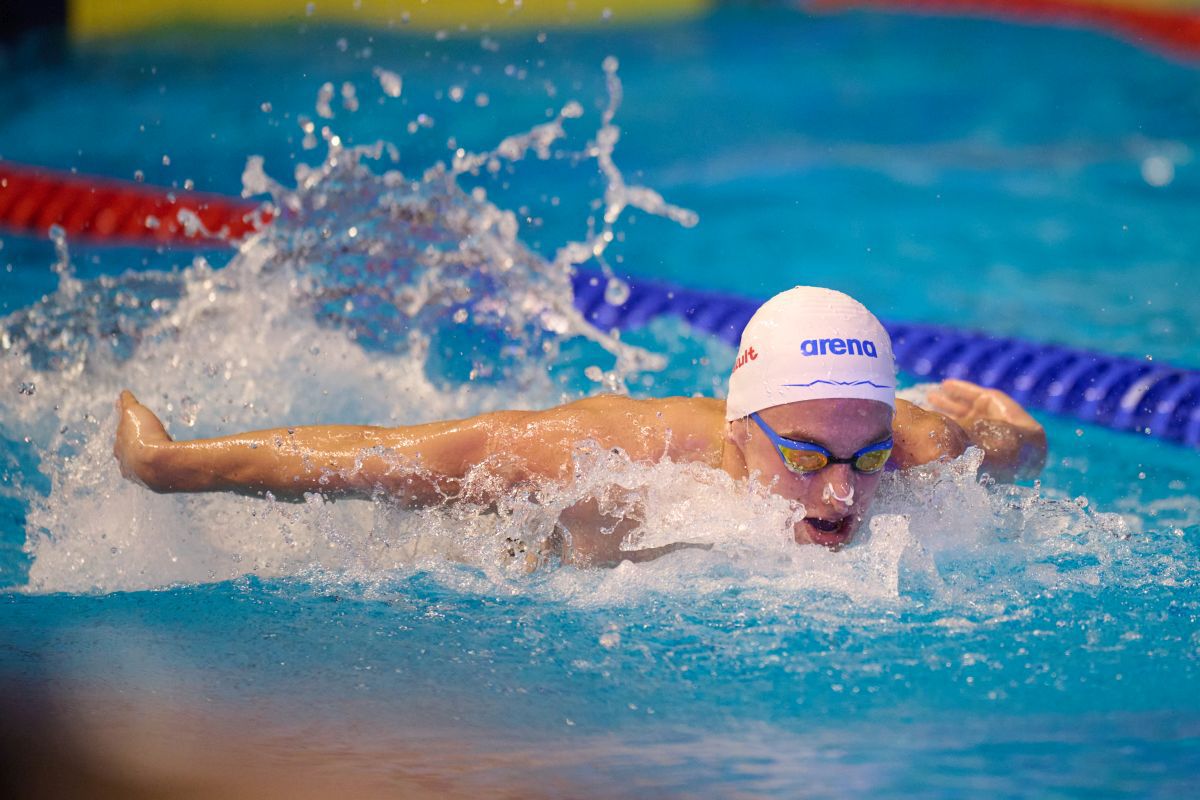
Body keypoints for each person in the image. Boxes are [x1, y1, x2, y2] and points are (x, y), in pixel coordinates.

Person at [113, 287, 1046, 566]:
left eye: (865, 455)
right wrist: (175, 466)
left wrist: (990, 414)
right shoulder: (612, 452)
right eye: (805, 456)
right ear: (737, 432)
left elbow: (1016, 443)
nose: (842, 494)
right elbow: (390, 456)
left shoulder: (924, 447)